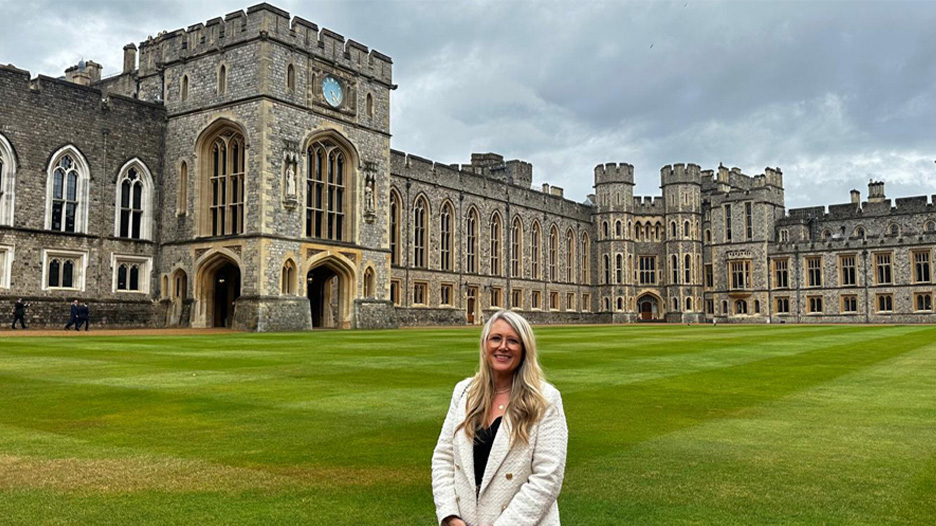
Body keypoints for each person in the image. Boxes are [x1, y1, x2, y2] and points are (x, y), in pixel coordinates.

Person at [432, 310, 567, 526]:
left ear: (524, 349)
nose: (503, 346)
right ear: (485, 345)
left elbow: (547, 478)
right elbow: (444, 458)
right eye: (496, 338)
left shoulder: (545, 399)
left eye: (513, 341)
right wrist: (449, 515)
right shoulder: (464, 392)